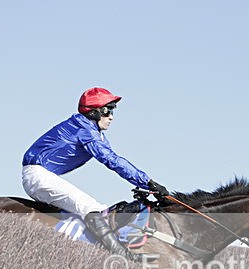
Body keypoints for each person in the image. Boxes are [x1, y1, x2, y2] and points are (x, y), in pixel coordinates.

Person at [21, 87, 169, 257]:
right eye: (107, 111)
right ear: (93, 112)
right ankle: (121, 256)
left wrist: (147, 183)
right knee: (91, 208)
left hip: (41, 175)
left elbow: (113, 158)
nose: (111, 117)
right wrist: (148, 182)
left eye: (113, 111)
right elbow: (111, 160)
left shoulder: (90, 130)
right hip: (38, 175)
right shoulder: (85, 130)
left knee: (100, 210)